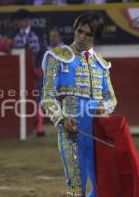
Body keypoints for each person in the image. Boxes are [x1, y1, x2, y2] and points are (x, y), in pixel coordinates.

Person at [41, 12, 117, 196]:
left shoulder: (101, 64)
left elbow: (111, 98)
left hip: (97, 133)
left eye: (88, 34)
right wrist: (61, 118)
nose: (81, 37)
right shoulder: (58, 57)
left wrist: (104, 107)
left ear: (95, 37)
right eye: (79, 31)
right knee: (77, 188)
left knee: (102, 187)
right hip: (72, 131)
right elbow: (47, 96)